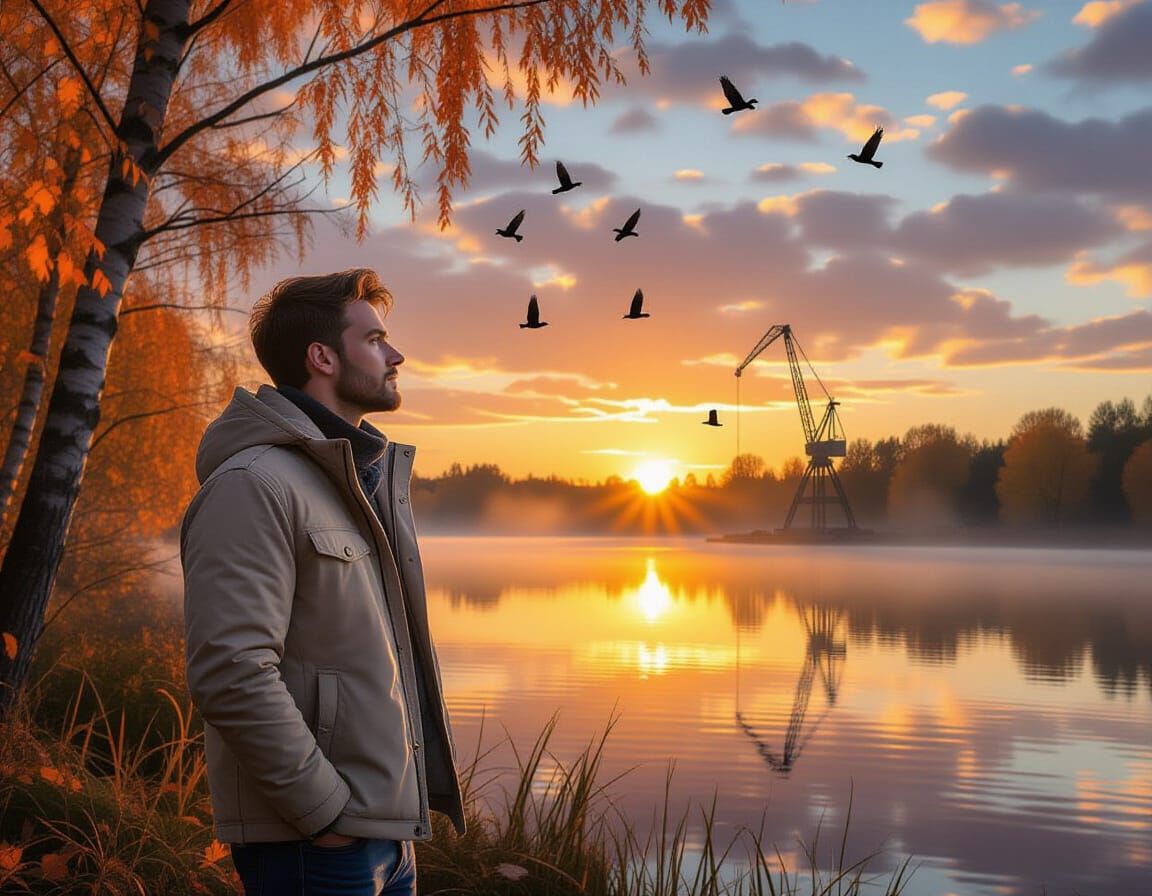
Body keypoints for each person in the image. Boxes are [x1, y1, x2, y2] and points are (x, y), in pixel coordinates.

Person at [180, 269, 464, 896]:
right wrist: (326, 813)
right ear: (322, 357)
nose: (396, 355)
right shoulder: (254, 485)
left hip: (382, 836)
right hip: (316, 847)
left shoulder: (351, 483)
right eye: (375, 340)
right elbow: (230, 669)